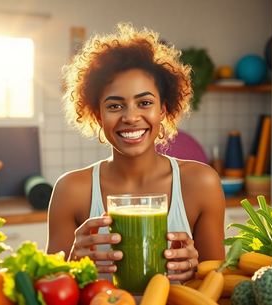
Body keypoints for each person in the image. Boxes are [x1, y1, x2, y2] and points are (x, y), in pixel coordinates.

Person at [45, 23, 225, 283]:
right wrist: (71, 265)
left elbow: (217, 288)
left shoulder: (200, 183)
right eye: (115, 105)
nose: (131, 117)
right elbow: (50, 291)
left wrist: (196, 272)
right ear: (98, 115)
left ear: (162, 110)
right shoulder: (71, 191)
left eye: (145, 103)